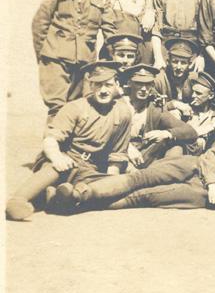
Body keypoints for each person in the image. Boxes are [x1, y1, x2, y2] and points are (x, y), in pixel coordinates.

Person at [46, 108, 215, 213]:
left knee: (146, 197)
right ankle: (80, 193)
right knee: (140, 178)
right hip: (197, 165)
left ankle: (69, 204)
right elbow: (212, 156)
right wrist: (211, 181)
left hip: (209, 191)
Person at [5, 61, 132, 221]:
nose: (103, 90)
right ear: (90, 85)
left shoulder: (123, 113)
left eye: (108, 85)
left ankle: (56, 197)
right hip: (66, 158)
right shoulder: (75, 107)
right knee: (55, 169)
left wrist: (110, 180)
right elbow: (51, 139)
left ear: (117, 85)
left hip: (90, 168)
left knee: (98, 188)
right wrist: (57, 157)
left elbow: (117, 153)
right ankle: (18, 201)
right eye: (97, 85)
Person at [32, 0, 116, 122]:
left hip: (84, 62)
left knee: (77, 109)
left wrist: (113, 59)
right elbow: (40, 22)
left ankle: (68, 151)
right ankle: (51, 150)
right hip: (55, 58)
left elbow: (110, 29)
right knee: (56, 108)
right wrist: (44, 55)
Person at [121, 64, 197, 170]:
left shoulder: (154, 109)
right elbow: (104, 134)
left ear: (152, 86)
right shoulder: (118, 104)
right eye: (139, 83)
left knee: (177, 147)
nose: (144, 89)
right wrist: (127, 147)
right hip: (118, 154)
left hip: (143, 156)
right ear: (129, 83)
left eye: (148, 84)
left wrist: (166, 133)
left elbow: (190, 132)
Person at [153, 38, 215, 125]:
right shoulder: (159, 79)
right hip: (164, 121)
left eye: (183, 63)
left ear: (189, 64)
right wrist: (173, 105)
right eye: (175, 62)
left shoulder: (195, 78)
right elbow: (149, 108)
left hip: (191, 120)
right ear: (168, 62)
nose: (178, 67)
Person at [181, 72, 215, 154]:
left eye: (198, 93)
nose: (193, 95)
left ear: (211, 96)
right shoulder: (185, 111)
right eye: (193, 92)